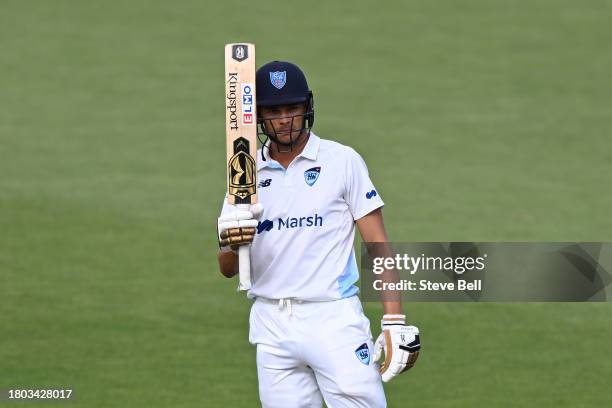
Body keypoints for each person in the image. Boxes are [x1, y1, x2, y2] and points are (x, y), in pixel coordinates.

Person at [217, 60, 421, 408]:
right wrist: (233, 242)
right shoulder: (244, 175)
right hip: (271, 325)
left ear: (307, 107)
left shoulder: (342, 161)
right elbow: (227, 268)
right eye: (274, 110)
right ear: (259, 117)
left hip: (333, 319)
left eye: (292, 108)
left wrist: (394, 319)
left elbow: (378, 245)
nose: (284, 119)